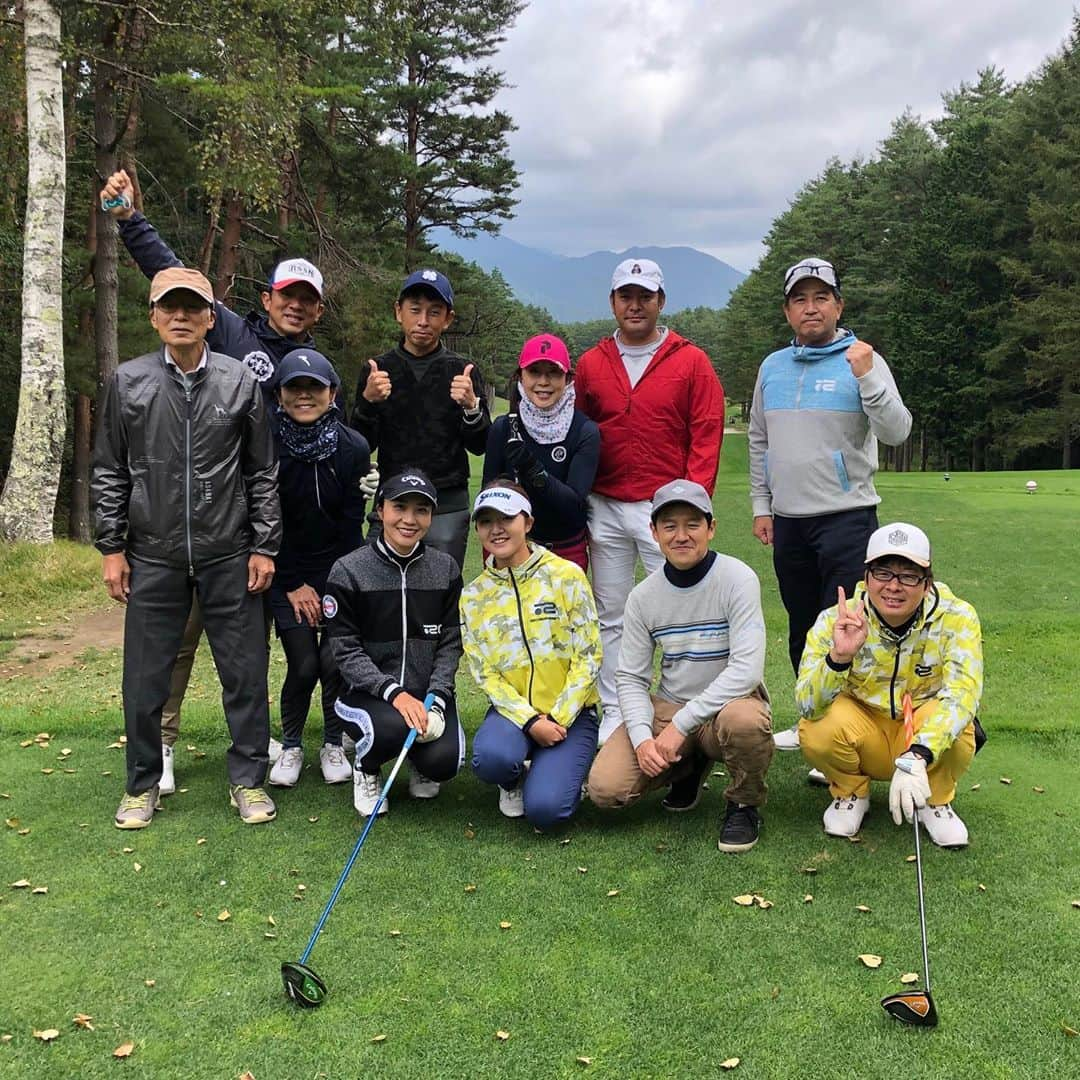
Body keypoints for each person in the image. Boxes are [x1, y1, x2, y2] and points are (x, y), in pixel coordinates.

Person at [99, 170, 378, 787]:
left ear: (317, 309)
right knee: (174, 646)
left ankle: (279, 750)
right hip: (184, 525)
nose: (296, 303)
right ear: (270, 296)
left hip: (248, 536)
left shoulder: (315, 371)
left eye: (307, 297)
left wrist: (374, 405)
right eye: (287, 293)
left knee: (246, 658)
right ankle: (163, 746)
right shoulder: (230, 332)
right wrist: (129, 221)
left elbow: (343, 459)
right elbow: (176, 280)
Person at [92, 267, 281, 828]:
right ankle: (141, 784)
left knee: (245, 674)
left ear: (209, 317)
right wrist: (111, 547)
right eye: (168, 307)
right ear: (153, 316)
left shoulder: (239, 382)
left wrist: (264, 546)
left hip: (230, 552)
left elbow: (262, 472)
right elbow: (108, 471)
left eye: (192, 308)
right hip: (153, 553)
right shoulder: (127, 383)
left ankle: (248, 780)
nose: (180, 317)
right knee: (146, 679)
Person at [748, 258, 911, 754]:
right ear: (788, 311)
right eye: (800, 299)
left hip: (847, 517)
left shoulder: (862, 359)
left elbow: (897, 431)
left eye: (821, 298)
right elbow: (759, 438)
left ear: (838, 306)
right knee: (802, 627)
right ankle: (811, 722)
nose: (811, 307)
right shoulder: (772, 367)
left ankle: (847, 731)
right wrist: (762, 504)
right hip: (790, 522)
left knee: (845, 625)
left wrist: (869, 379)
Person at [574, 258, 724, 742]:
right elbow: (577, 431)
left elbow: (706, 431)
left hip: (665, 511)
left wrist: (693, 504)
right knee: (612, 614)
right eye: (626, 296)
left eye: (645, 296)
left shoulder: (690, 360)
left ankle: (681, 706)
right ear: (613, 302)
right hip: (606, 503)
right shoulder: (593, 362)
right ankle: (618, 710)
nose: (635, 305)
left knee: (681, 612)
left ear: (661, 300)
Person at [587, 480, 774, 853]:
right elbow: (631, 677)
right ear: (653, 532)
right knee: (606, 789)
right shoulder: (643, 597)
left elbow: (746, 670)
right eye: (669, 525)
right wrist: (643, 740)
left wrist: (681, 726)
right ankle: (687, 767)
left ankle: (743, 802)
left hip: (729, 705)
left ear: (711, 528)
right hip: (671, 705)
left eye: (692, 524)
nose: (681, 535)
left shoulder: (737, 579)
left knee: (745, 724)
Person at [796, 523, 981, 848]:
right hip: (863, 728)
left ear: (926, 584)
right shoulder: (833, 620)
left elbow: (963, 694)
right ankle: (851, 793)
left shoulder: (958, 617)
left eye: (908, 576)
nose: (894, 586)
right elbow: (807, 705)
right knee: (816, 727)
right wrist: (838, 657)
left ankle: (935, 801)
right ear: (866, 578)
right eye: (883, 573)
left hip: (921, 729)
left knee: (960, 726)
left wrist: (918, 755)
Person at [323, 470, 465, 816]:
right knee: (392, 726)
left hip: (424, 694)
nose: (409, 519)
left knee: (445, 762)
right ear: (380, 510)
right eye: (399, 507)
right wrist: (394, 693)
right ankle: (367, 769)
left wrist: (437, 698)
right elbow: (346, 651)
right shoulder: (349, 570)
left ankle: (420, 758)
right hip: (365, 694)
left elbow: (450, 643)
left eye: (421, 510)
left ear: (431, 517)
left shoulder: (444, 569)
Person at [461, 482, 602, 828]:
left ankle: (554, 771)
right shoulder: (474, 595)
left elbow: (589, 654)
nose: (496, 529)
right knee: (492, 760)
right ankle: (513, 778)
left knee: (546, 812)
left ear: (527, 522)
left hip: (571, 715)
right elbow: (485, 674)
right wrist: (530, 721)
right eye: (486, 521)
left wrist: (557, 717)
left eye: (506, 517)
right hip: (514, 715)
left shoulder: (566, 575)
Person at [265, 349, 370, 788]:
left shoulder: (353, 447)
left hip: (339, 571)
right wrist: (293, 585)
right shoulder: (264, 442)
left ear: (332, 394)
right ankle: (291, 745)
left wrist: (328, 589)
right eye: (294, 388)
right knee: (304, 663)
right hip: (284, 571)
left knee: (332, 662)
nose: (304, 396)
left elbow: (350, 529)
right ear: (281, 395)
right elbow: (266, 520)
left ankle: (331, 742)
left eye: (314, 388)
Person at [350, 269, 490, 573]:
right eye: (415, 310)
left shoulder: (462, 370)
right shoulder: (379, 369)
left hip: (446, 503)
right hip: (393, 500)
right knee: (381, 587)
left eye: (434, 312)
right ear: (398, 312)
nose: (423, 321)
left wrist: (471, 408)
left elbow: (480, 445)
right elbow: (361, 444)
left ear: (448, 318)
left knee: (441, 590)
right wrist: (368, 402)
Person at [482, 334, 599, 570]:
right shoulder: (503, 428)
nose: (543, 382)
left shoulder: (585, 431)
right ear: (520, 376)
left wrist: (533, 470)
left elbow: (573, 507)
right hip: (510, 548)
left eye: (553, 373)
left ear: (567, 379)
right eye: (534, 372)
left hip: (564, 550)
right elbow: (487, 500)